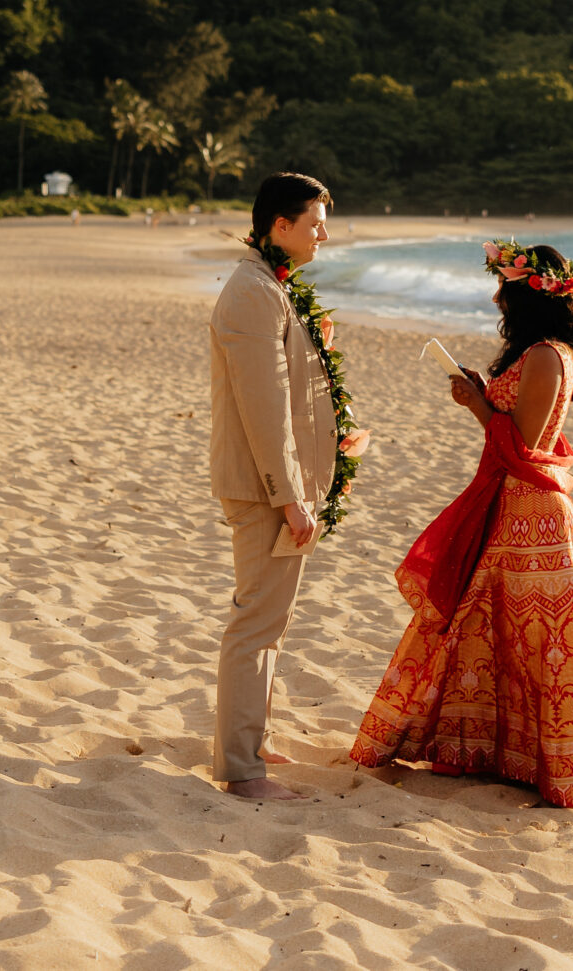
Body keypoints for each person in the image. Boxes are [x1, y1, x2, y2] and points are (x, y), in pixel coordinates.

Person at [348, 239, 573, 808]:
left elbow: (522, 447)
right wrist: (481, 398)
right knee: (485, 630)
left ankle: (534, 763)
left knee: (529, 642)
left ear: (529, 295)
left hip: (532, 517)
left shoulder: (545, 355)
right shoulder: (540, 353)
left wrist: (476, 405)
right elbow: (517, 435)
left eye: (505, 287)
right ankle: (479, 749)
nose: (496, 296)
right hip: (511, 509)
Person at [209, 172, 351, 800]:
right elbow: (261, 410)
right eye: (316, 222)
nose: (325, 233)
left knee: (271, 619)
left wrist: (341, 435)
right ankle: (241, 771)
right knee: (255, 622)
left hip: (283, 484)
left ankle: (253, 743)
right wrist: (290, 498)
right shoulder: (251, 293)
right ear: (280, 226)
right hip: (265, 489)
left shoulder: (271, 285)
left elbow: (291, 395)